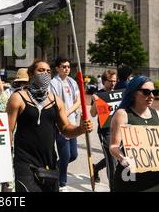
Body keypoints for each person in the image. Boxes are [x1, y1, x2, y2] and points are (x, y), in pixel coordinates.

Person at [7, 59, 93, 192]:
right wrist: (5, 157)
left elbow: (65, 129)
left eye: (48, 71)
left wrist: (81, 129)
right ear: (31, 74)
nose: (45, 74)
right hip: (24, 162)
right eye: (40, 70)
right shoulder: (18, 98)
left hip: (49, 162)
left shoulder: (56, 101)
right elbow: (8, 130)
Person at [110, 75, 159, 192]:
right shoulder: (123, 114)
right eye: (146, 92)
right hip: (130, 177)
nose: (151, 96)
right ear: (133, 93)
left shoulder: (156, 114)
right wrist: (122, 159)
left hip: (155, 177)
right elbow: (113, 146)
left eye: (154, 92)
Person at [49, 56, 81, 191]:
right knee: (65, 155)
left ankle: (54, 169)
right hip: (60, 124)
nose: (67, 69)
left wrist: (68, 112)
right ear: (57, 68)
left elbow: (78, 100)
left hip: (72, 122)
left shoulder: (72, 82)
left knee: (73, 155)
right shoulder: (53, 83)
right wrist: (63, 114)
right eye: (63, 66)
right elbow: (54, 102)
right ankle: (62, 183)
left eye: (68, 66)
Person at [90, 69, 117, 189]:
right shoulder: (98, 95)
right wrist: (96, 102)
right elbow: (92, 114)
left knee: (113, 157)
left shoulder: (118, 93)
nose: (113, 84)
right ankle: (113, 187)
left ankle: (95, 168)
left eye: (115, 81)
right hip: (105, 132)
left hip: (118, 131)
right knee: (112, 161)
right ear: (104, 81)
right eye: (110, 81)